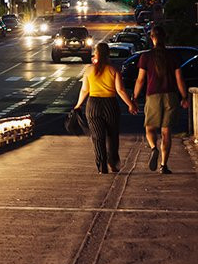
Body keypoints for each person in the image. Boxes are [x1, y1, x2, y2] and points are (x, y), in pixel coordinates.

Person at [73, 41, 137, 174]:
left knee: (97, 136)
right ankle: (112, 163)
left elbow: (84, 90)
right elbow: (120, 90)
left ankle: (101, 165)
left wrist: (78, 105)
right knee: (112, 135)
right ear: (108, 54)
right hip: (110, 104)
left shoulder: (89, 70)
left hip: (93, 105)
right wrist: (130, 104)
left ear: (96, 54)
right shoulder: (113, 70)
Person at [133, 24, 189, 174]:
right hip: (171, 97)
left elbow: (140, 80)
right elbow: (180, 79)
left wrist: (134, 97)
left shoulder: (146, 57)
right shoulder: (173, 57)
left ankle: (153, 148)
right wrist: (184, 97)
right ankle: (164, 165)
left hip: (153, 96)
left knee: (150, 128)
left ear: (152, 38)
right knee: (166, 132)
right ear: (165, 38)